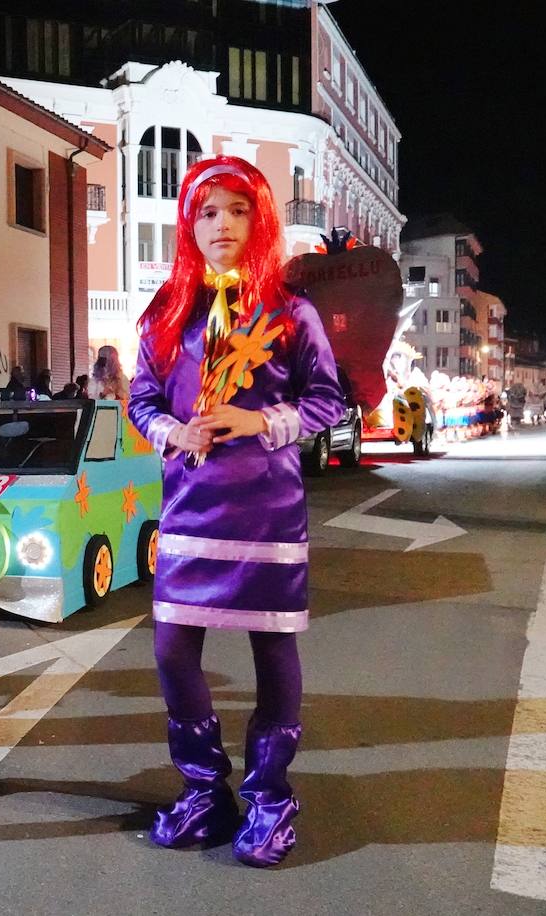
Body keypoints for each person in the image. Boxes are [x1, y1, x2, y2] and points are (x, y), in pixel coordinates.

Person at [127, 156, 345, 868]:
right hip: (190, 504)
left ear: (260, 220)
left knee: (270, 646)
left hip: (265, 510)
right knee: (171, 648)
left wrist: (260, 423)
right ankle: (203, 791)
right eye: (207, 211)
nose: (221, 224)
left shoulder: (290, 312)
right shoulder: (167, 309)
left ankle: (271, 798)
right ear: (189, 224)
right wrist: (171, 431)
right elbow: (142, 400)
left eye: (237, 210)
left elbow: (329, 401)